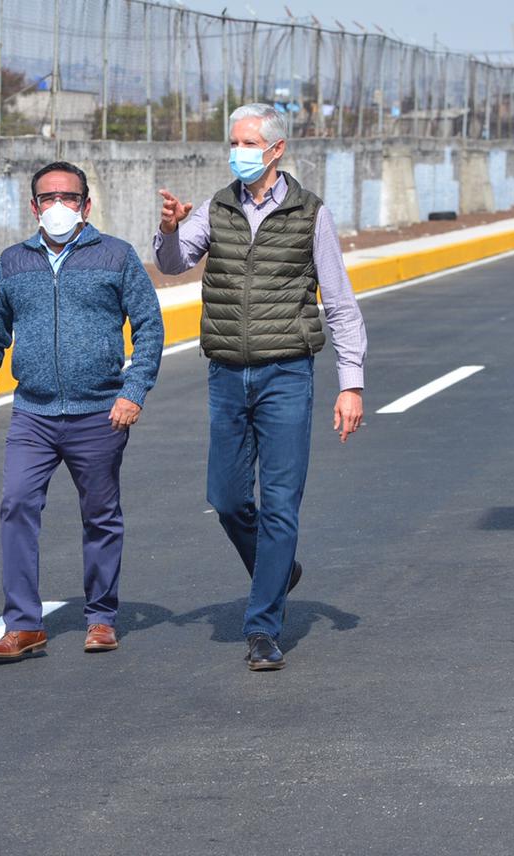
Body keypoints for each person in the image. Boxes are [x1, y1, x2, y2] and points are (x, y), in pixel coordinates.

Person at [153, 103, 367, 671]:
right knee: (225, 498)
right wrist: (169, 229)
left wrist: (352, 384)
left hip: (286, 373)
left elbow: (340, 305)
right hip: (226, 372)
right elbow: (174, 263)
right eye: (233, 142)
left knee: (280, 504)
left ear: (276, 150)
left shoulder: (310, 214)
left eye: (248, 143)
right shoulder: (218, 208)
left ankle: (263, 628)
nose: (238, 152)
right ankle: (280, 568)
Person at [0, 161, 164, 660]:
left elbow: (149, 328)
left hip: (100, 411)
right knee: (16, 506)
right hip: (33, 413)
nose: (58, 206)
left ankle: (101, 618)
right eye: (48, 198)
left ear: (86, 204)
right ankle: (23, 625)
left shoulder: (117, 256)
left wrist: (132, 392)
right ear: (34, 207)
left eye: (69, 197)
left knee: (100, 515)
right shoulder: (14, 262)